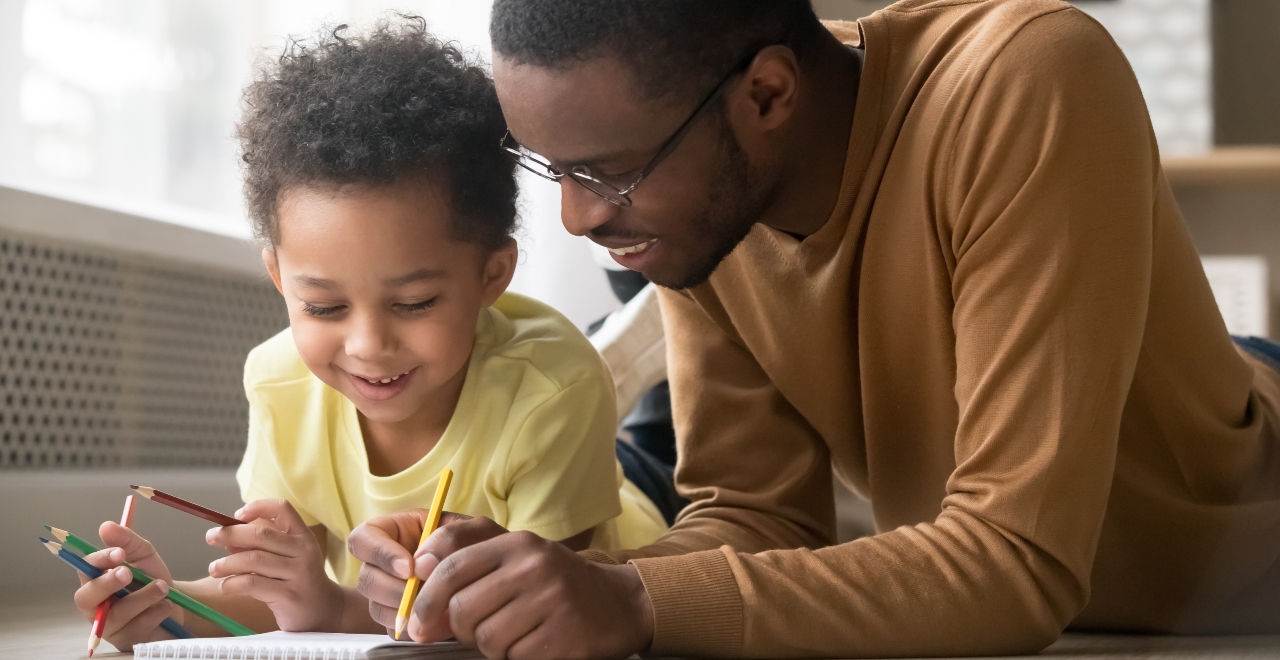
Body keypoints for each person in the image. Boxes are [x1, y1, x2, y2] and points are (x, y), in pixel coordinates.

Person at [346, 1, 1280, 658]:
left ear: (767, 96)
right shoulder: (701, 196)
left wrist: (632, 600)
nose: (580, 219)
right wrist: (541, 590)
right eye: (557, 171)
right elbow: (757, 519)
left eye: (611, 173)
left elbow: (1018, 563)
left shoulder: (1026, 76)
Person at [67, 17, 668, 650]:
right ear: (279, 277)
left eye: (413, 302)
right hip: (556, 441)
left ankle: (653, 322)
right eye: (323, 307)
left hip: (638, 514)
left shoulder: (555, 388)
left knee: (664, 426)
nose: (368, 346)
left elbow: (518, 621)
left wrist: (328, 602)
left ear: (493, 275)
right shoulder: (278, 382)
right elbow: (282, 598)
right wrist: (168, 605)